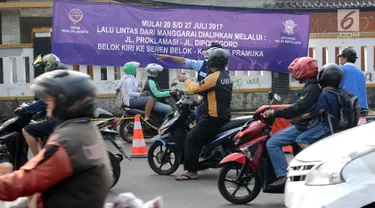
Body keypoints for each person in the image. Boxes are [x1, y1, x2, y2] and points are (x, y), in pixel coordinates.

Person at [0, 70, 112, 207]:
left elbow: (27, 180)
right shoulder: (87, 130)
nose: (47, 103)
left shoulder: (68, 141)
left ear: (66, 103)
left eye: (51, 99)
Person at [175, 48, 232, 181]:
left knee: (191, 139)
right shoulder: (225, 75)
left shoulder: (213, 77)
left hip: (212, 117)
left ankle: (191, 171)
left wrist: (185, 79)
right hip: (223, 115)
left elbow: (195, 88)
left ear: (211, 61)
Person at [263, 57, 322, 186]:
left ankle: (283, 175)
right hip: (303, 124)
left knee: (272, 143)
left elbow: (297, 108)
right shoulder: (311, 87)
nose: (295, 73)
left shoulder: (311, 89)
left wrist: (275, 112)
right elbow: (299, 107)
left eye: (297, 70)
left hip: (304, 126)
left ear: (303, 71)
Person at [156, 42, 228, 123]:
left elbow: (195, 88)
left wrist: (185, 80)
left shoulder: (221, 72)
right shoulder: (202, 65)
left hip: (214, 107)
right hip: (203, 104)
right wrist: (168, 57)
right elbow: (184, 60)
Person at [15, 53, 67, 156]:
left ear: (50, 65)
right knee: (41, 132)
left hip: (58, 119)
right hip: (64, 117)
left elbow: (44, 102)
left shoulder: (54, 80)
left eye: (44, 66)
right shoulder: (61, 77)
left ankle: (37, 159)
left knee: (27, 130)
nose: (43, 70)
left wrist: (25, 109)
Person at [293, 63, 343, 145]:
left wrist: (299, 118)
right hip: (337, 124)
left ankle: (314, 157)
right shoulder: (340, 92)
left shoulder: (325, 94)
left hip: (326, 125)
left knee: (301, 140)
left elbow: (317, 112)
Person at [338, 47, 369, 125]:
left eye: (341, 57)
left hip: (349, 111)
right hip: (362, 110)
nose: (340, 59)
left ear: (345, 58)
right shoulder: (360, 73)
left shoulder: (340, 70)